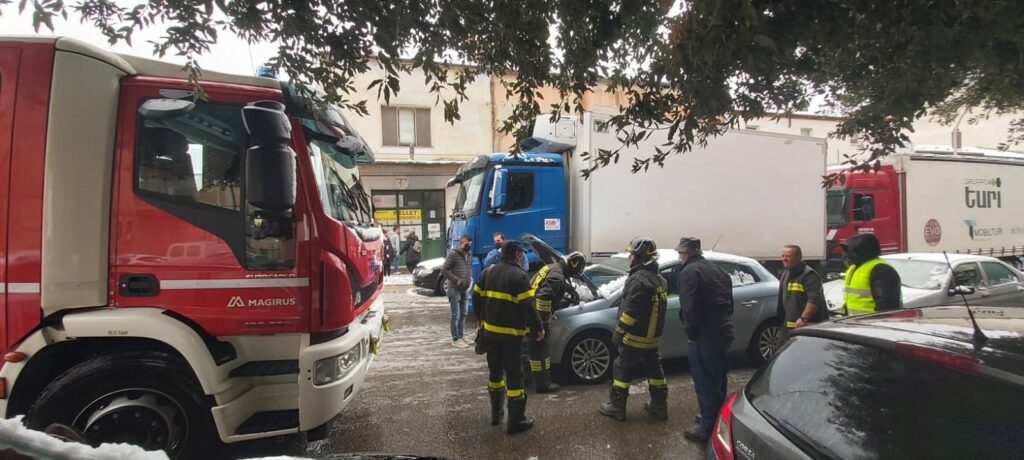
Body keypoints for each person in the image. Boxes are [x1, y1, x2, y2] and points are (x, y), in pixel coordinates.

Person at [472, 240, 543, 434]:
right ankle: (516, 421)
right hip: (511, 338)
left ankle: (497, 416)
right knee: (514, 377)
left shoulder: (488, 272)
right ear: (518, 254)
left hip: (490, 335)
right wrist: (539, 328)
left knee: (495, 374)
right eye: (522, 254)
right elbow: (528, 305)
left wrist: (480, 317)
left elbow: (475, 296)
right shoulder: (519, 276)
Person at [598, 237, 669, 422]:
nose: (629, 257)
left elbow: (631, 312)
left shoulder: (638, 280)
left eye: (632, 254)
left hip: (635, 337)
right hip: (653, 338)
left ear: (639, 257)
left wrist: (619, 332)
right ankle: (660, 406)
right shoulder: (660, 279)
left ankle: (617, 407)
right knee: (654, 369)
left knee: (621, 367)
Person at [676, 237, 734, 443]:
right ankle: (717, 417)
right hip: (723, 330)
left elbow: (690, 306)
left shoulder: (689, 272)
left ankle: (707, 427)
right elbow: (729, 299)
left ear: (686, 253)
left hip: (704, 334)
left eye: (681, 253)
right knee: (718, 377)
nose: (679, 256)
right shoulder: (716, 269)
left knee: (705, 380)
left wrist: (691, 333)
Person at [527, 251, 586, 393]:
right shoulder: (558, 276)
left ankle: (532, 379)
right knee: (540, 351)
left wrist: (568, 289)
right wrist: (543, 324)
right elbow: (543, 298)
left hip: (529, 309)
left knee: (534, 350)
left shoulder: (553, 267)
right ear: (573, 266)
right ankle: (543, 384)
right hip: (536, 315)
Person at [839, 233, 902, 316]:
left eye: (851, 251)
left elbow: (886, 306)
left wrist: (877, 324)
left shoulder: (880, 269)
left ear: (863, 251)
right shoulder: (854, 268)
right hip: (854, 323)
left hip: (871, 324)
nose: (848, 255)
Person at [776, 244, 826, 346]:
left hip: (805, 327)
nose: (784, 259)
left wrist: (804, 319)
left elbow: (814, 299)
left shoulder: (808, 275)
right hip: (788, 327)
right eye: (783, 256)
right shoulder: (786, 273)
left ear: (798, 257)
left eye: (788, 256)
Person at [442, 235, 474, 348]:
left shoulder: (469, 254)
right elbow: (444, 270)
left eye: (470, 243)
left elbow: (468, 268)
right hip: (454, 288)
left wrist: (469, 277)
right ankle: (455, 339)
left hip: (465, 288)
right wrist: (456, 280)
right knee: (455, 314)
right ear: (461, 243)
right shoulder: (453, 254)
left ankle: (461, 335)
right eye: (467, 244)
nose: (469, 246)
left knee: (464, 312)